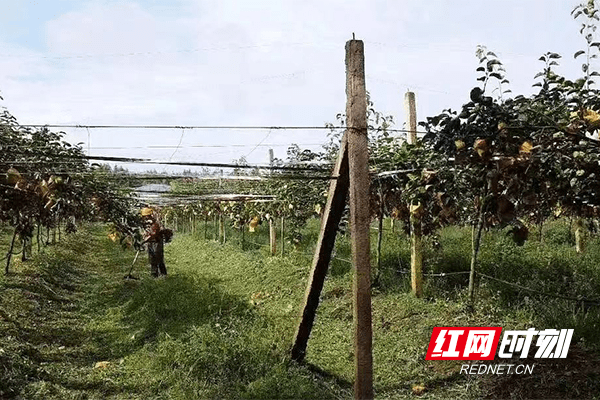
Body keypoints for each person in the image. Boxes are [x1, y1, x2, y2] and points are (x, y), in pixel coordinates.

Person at [141, 207, 167, 278]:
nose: (144, 218)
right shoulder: (147, 224)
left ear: (149, 216)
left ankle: (163, 274)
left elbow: (153, 234)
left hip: (157, 242)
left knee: (158, 258)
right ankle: (154, 275)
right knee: (152, 259)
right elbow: (147, 233)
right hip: (151, 243)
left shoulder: (155, 224)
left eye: (145, 216)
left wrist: (145, 240)